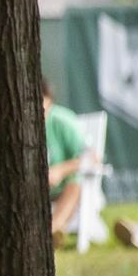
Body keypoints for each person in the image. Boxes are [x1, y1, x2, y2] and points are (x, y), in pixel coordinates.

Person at [44, 82, 87, 244]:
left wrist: (61, 170)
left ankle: (54, 230)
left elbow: (90, 157)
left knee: (75, 182)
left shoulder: (62, 121)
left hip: (63, 188)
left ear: (48, 100)